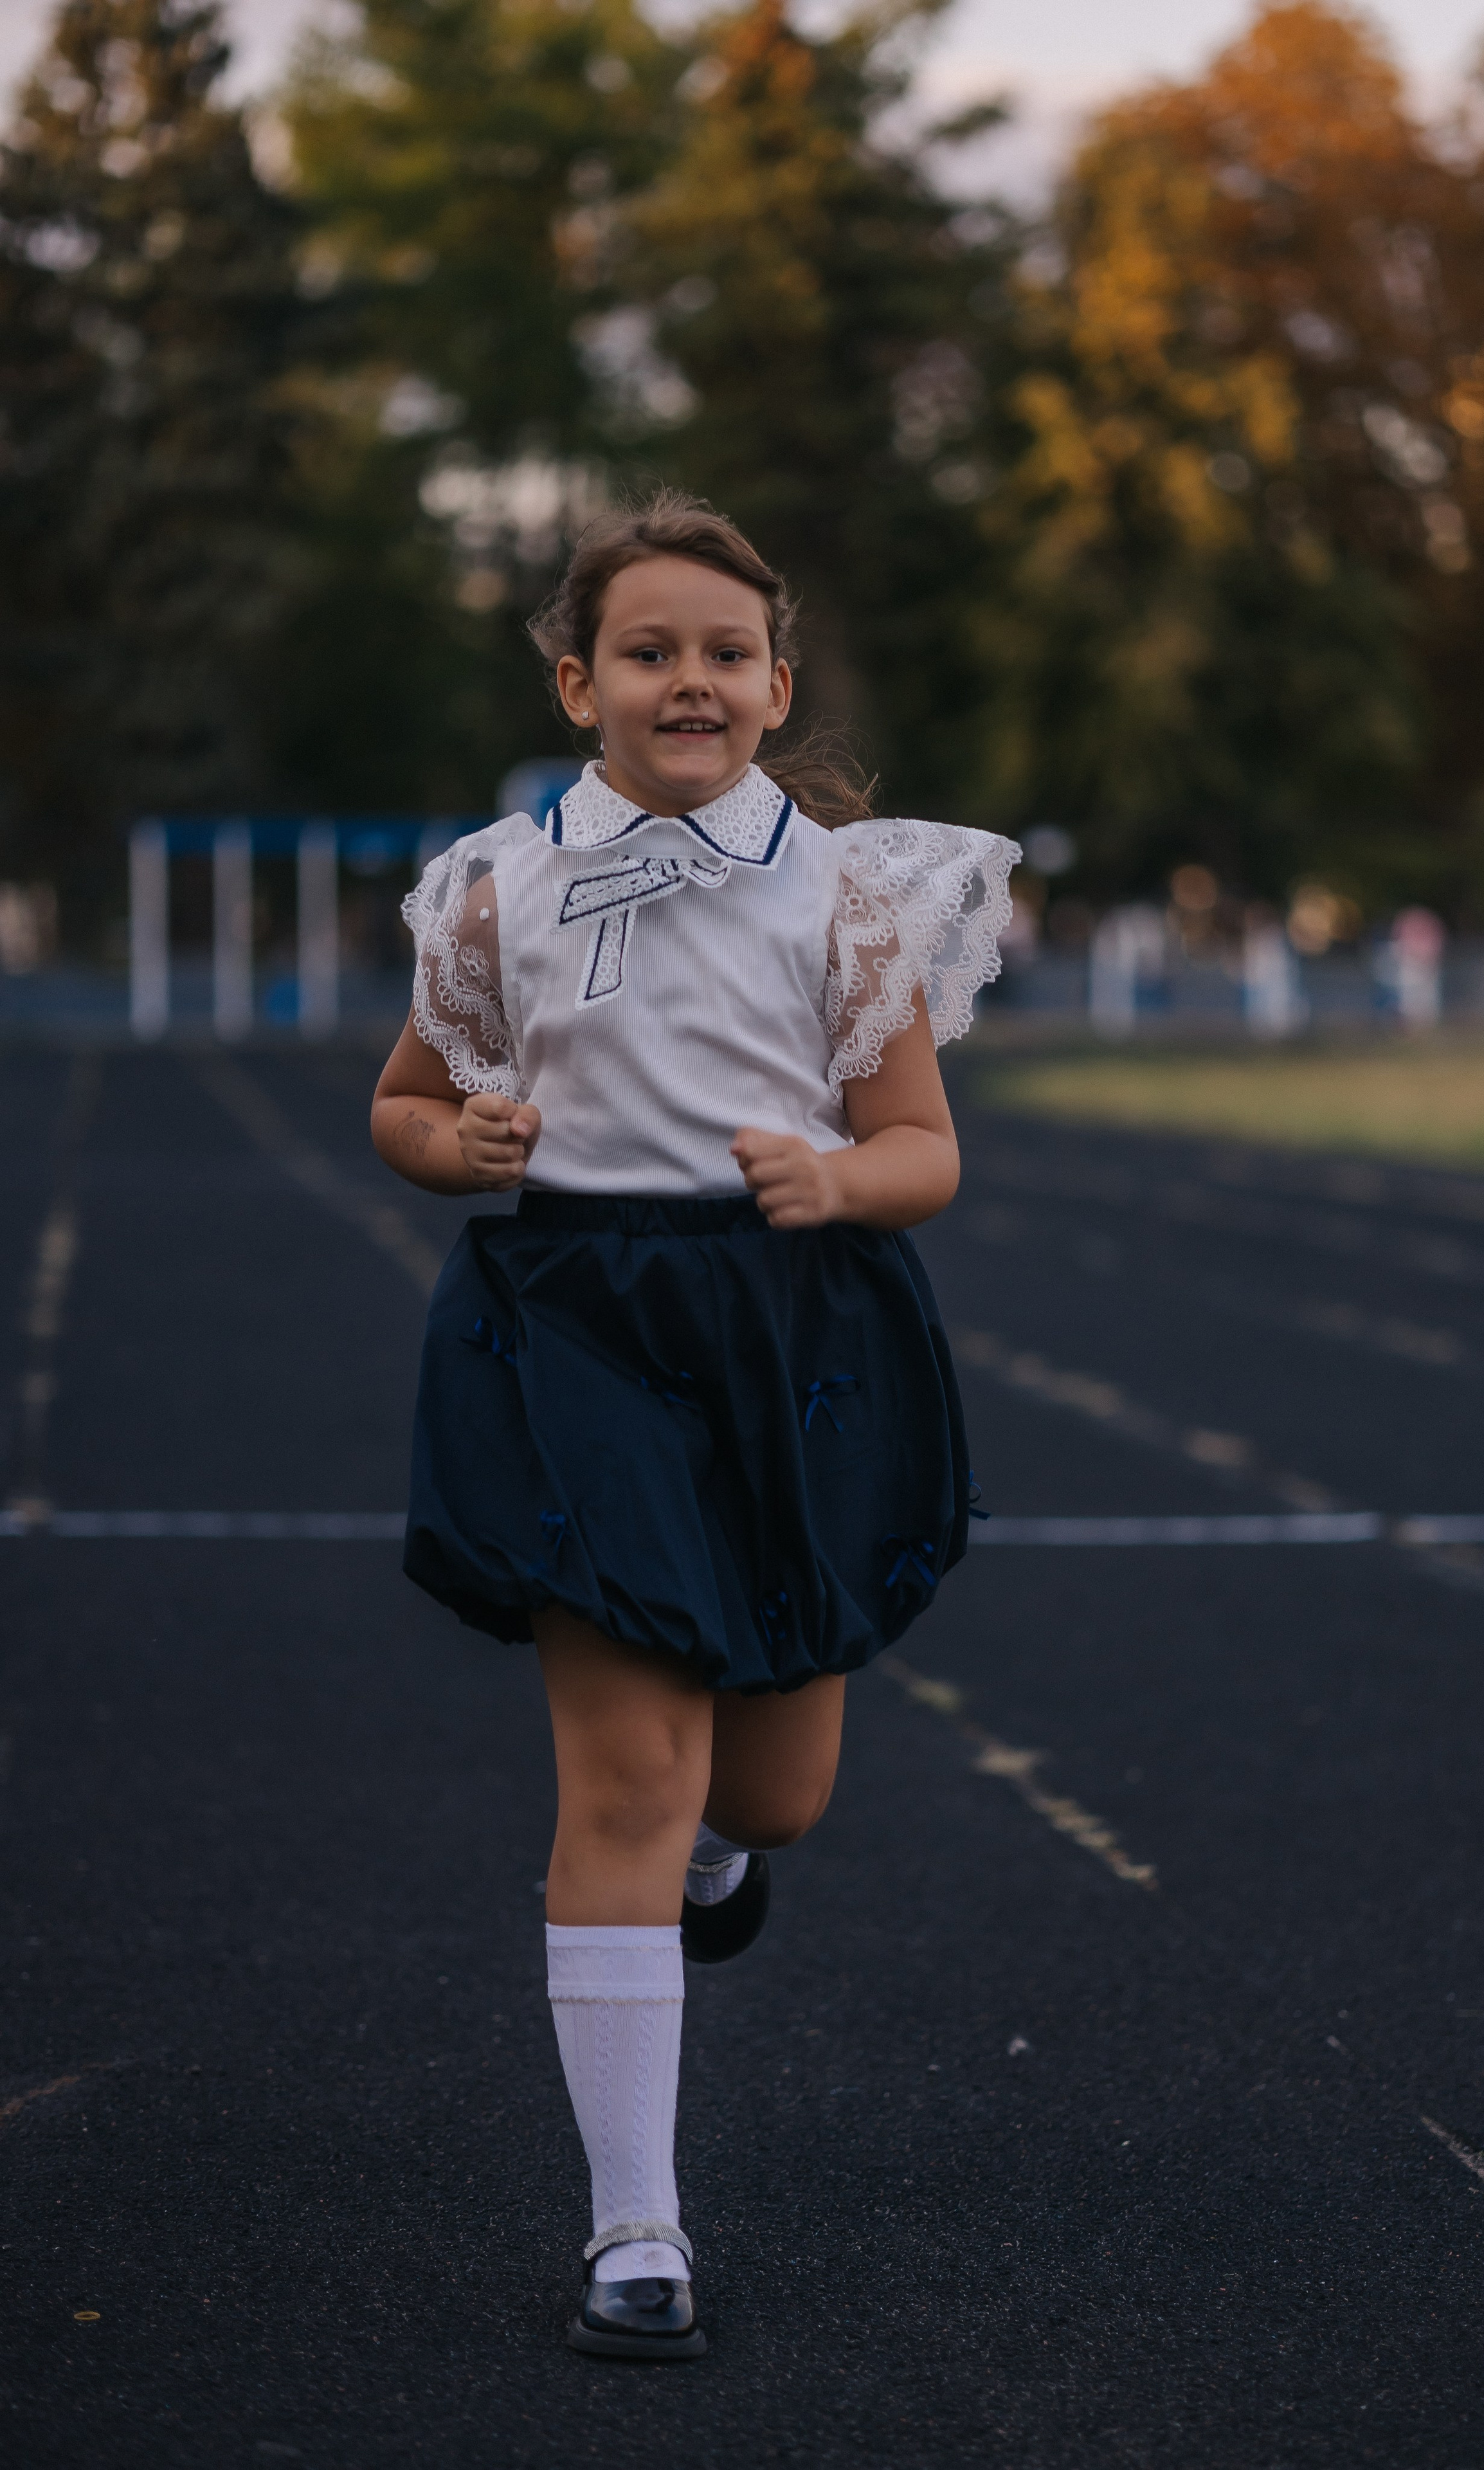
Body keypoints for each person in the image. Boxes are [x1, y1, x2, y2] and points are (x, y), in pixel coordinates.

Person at [370, 491, 1017, 2361]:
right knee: (630, 1784)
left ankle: (722, 1865)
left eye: (728, 654)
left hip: (793, 1330)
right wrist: (464, 1144)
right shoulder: (496, 888)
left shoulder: (847, 894)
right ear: (580, 685)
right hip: (577, 1327)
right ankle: (635, 2228)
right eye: (649, 651)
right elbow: (404, 1106)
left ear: (776, 686)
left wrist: (839, 1178)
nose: (692, 681)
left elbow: (923, 1148)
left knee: (768, 1795)